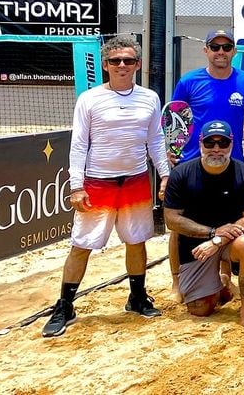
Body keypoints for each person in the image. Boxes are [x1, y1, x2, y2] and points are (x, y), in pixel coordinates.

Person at [43, 35, 171, 337]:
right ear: (105, 65)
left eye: (128, 60)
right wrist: (77, 187)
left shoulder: (150, 98)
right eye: (116, 61)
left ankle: (137, 297)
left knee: (136, 241)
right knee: (82, 245)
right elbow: (78, 145)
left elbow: (155, 140)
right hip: (97, 184)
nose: (122, 65)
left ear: (137, 64)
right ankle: (65, 305)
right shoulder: (89, 99)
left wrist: (165, 175)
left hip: (137, 182)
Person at [163, 120, 244, 329]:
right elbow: (172, 219)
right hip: (198, 243)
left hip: (228, 241)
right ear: (200, 143)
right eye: (210, 143)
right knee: (200, 310)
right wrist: (211, 233)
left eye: (222, 143)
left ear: (231, 144)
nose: (216, 149)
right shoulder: (181, 174)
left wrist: (217, 239)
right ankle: (221, 286)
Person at [172, 29, 244, 171]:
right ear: (206, 50)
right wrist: (172, 151)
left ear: (234, 51)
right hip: (192, 161)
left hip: (232, 162)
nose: (221, 52)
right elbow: (174, 120)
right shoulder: (188, 81)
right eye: (215, 47)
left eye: (226, 47)